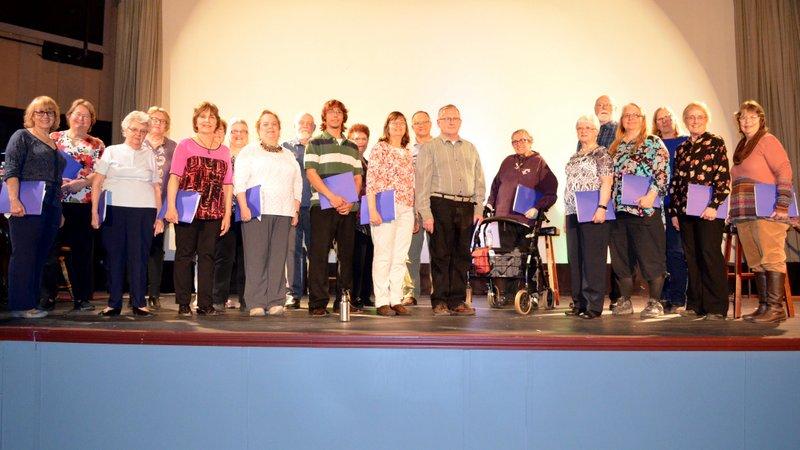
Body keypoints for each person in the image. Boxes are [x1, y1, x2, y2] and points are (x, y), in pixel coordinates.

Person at [91, 111, 163, 317]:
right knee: (114, 257)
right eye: (134, 129)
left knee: (139, 257)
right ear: (125, 130)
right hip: (114, 209)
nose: (138, 134)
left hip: (144, 211)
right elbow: (97, 183)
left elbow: (156, 187)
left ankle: (139, 302)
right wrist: (95, 212)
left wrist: (159, 217)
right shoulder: (111, 151)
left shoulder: (150, 155)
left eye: (143, 131)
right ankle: (114, 303)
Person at [416, 104, 485, 316]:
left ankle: (457, 300)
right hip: (440, 204)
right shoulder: (429, 148)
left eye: (455, 118)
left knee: (461, 255)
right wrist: (426, 213)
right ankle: (439, 301)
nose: (451, 121)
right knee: (440, 255)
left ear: (460, 121)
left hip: (466, 206)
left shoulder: (470, 148)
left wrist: (478, 207)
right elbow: (422, 183)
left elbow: (479, 181)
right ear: (438, 122)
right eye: (447, 118)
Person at [165, 101, 233, 317]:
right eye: (203, 116)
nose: (207, 120)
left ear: (217, 122)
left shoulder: (224, 151)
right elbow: (174, 177)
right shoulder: (185, 145)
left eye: (211, 117)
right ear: (196, 121)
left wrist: (227, 214)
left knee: (208, 257)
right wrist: (171, 206)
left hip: (214, 211)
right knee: (184, 256)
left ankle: (205, 304)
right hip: (187, 210)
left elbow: (228, 185)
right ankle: (183, 303)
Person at [730, 100, 793, 323]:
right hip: (745, 212)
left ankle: (775, 308)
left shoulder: (768, 140)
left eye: (752, 117)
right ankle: (764, 306)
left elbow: (784, 169)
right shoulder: (742, 146)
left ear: (761, 119)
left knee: (772, 256)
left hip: (767, 210)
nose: (747, 121)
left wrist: (782, 204)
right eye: (743, 117)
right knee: (756, 260)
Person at [3, 96, 66, 318]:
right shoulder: (22, 136)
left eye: (50, 112)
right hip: (27, 201)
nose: (45, 116)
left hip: (51, 204)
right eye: (40, 112)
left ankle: (31, 303)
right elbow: (11, 169)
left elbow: (57, 179)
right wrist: (14, 200)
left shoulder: (53, 142)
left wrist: (59, 210)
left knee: (41, 255)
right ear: (31, 115)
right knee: (25, 254)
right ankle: (20, 306)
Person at [39, 99, 105, 311]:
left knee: (82, 253)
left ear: (91, 121)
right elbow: (43, 166)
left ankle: (82, 298)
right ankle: (47, 297)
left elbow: (101, 173)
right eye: (78, 114)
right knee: (49, 250)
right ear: (69, 116)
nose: (81, 119)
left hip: (82, 204)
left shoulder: (97, 144)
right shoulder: (54, 138)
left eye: (86, 116)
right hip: (54, 202)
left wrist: (82, 183)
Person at [667, 102, 730, 320]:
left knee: (709, 255)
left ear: (706, 119)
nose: (695, 121)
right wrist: (674, 212)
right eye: (691, 117)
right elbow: (676, 182)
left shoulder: (715, 142)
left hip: (709, 210)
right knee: (691, 257)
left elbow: (723, 177)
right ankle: (695, 304)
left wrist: (714, 205)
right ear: (685, 120)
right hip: (685, 211)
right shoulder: (682, 148)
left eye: (699, 117)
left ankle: (716, 307)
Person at [235, 110, 301, 317]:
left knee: (278, 258)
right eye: (265, 124)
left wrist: (295, 208)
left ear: (279, 129)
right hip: (257, 211)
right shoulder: (249, 151)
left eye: (274, 124)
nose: (270, 127)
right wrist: (243, 206)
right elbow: (239, 182)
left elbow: (297, 183)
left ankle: (275, 300)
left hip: (284, 211)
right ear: (258, 129)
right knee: (256, 257)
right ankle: (256, 301)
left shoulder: (288, 154)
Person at [608, 103, 670, 318]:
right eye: (627, 115)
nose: (631, 118)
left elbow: (663, 172)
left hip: (645, 210)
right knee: (621, 259)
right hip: (619, 211)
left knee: (651, 257)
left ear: (643, 119)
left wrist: (652, 195)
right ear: (621, 120)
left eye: (635, 115)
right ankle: (625, 301)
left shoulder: (653, 142)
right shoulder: (615, 146)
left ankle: (655, 302)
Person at [305, 99, 363, 317]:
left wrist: (349, 202)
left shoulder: (352, 147)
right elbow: (311, 173)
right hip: (321, 205)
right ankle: (317, 303)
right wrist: (331, 196)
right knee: (319, 254)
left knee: (346, 256)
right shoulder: (315, 142)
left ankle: (343, 300)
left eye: (339, 112)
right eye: (331, 112)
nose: (335, 115)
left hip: (346, 209)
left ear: (343, 116)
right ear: (325, 117)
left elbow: (357, 177)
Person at [485, 129, 558, 304]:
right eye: (515, 141)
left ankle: (529, 293)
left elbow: (551, 192)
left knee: (525, 256)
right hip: (502, 218)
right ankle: (504, 293)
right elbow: (495, 186)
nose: (519, 144)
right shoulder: (507, 162)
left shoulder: (539, 163)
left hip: (525, 220)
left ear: (530, 141)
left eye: (523, 140)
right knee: (503, 256)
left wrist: (537, 207)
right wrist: (489, 204)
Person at [563, 115, 613, 319]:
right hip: (573, 212)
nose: (583, 131)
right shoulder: (574, 156)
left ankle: (593, 305)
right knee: (575, 259)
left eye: (588, 128)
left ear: (596, 131)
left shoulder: (601, 153)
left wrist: (602, 207)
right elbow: (569, 186)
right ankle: (579, 303)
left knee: (593, 259)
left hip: (593, 210)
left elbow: (607, 182)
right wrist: (566, 215)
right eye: (580, 128)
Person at [367, 112, 415, 316]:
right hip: (385, 204)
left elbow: (412, 184)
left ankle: (396, 299)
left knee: (400, 256)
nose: (398, 126)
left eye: (402, 123)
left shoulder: (407, 152)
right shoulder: (380, 148)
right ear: (387, 126)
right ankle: (381, 300)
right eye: (394, 122)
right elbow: (371, 180)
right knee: (383, 255)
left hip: (406, 207)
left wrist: (414, 212)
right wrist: (372, 209)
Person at [652, 107, 689, 313]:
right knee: (658, 253)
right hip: (655, 205)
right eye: (660, 119)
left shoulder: (685, 142)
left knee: (676, 252)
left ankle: (677, 297)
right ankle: (663, 295)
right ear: (655, 124)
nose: (664, 121)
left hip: (676, 206)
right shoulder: (652, 144)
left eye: (668, 117)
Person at [143, 106, 177, 310]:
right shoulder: (138, 141)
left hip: (162, 206)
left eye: (163, 121)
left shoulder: (173, 147)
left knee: (156, 249)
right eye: (155, 119)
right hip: (138, 204)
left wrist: (167, 209)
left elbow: (176, 178)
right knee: (138, 249)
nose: (158, 123)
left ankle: (154, 294)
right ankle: (138, 291)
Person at [214, 118, 248, 311]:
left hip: (248, 212)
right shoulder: (222, 153)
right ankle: (218, 298)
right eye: (235, 131)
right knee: (223, 257)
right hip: (225, 212)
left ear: (248, 135)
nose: (238, 134)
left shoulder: (254, 155)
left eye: (243, 131)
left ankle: (246, 299)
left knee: (246, 258)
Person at [283, 113, 316, 309]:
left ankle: (315, 294)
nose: (305, 126)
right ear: (294, 125)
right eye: (301, 123)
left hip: (315, 207)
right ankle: (293, 294)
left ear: (314, 127)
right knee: (292, 251)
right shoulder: (285, 148)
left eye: (309, 124)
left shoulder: (319, 146)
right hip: (292, 207)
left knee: (315, 251)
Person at [401, 111, 432, 306]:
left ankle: (439, 292)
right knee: (410, 252)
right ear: (412, 127)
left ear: (430, 124)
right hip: (412, 206)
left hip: (435, 205)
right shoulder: (407, 152)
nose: (421, 126)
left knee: (439, 251)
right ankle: (410, 292)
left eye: (424, 122)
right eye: (416, 123)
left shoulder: (438, 147)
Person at [348, 123, 374, 308]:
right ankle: (354, 295)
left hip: (368, 214)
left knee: (368, 257)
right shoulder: (346, 161)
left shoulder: (367, 161)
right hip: (352, 215)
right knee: (356, 258)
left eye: (364, 138)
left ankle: (365, 295)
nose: (360, 142)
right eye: (356, 138)